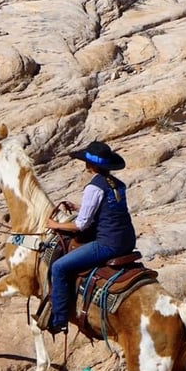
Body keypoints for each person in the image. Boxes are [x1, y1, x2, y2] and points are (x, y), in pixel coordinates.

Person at [44, 141, 137, 335]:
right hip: (128, 240)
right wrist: (79, 207)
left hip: (108, 245)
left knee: (59, 267)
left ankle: (59, 319)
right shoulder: (117, 185)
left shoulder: (94, 187)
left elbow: (81, 225)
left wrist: (56, 225)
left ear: (91, 166)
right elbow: (107, 209)